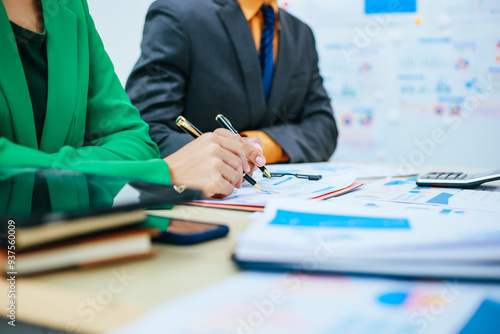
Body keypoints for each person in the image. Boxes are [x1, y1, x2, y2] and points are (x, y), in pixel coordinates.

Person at [0, 0, 264, 198]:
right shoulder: (179, 13)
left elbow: (135, 141)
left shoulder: (69, 6)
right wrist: (162, 173)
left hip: (70, 243)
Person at [126, 0, 339, 165]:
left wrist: (260, 145)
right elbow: (145, 128)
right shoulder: (179, 14)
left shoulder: (301, 34)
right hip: (198, 204)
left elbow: (324, 127)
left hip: (278, 196)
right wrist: (222, 153)